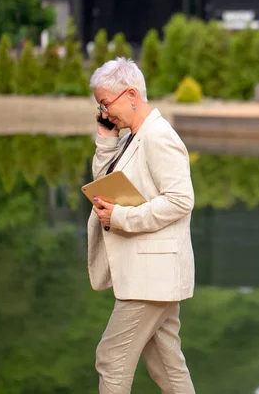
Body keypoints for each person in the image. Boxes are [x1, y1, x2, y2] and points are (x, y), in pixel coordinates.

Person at [87, 57, 196, 393]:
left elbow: (180, 200)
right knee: (166, 363)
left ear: (131, 94)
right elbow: (107, 184)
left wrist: (121, 218)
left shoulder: (158, 136)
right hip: (148, 275)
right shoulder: (134, 137)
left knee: (111, 358)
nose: (105, 112)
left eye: (106, 103)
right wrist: (106, 140)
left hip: (153, 276)